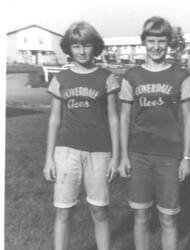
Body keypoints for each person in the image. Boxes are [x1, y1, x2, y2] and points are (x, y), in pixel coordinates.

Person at [118, 16, 190, 250]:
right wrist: (123, 156)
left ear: (168, 42)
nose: (156, 46)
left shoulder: (180, 75)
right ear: (144, 42)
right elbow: (124, 117)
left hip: (169, 156)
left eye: (161, 41)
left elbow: (189, 117)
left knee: (168, 217)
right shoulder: (132, 75)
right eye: (151, 40)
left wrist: (187, 157)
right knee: (141, 216)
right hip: (139, 154)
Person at [43, 21, 119, 250]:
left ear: (95, 47)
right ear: (69, 48)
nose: (82, 51)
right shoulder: (60, 80)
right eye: (76, 46)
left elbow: (114, 118)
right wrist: (48, 158)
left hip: (99, 152)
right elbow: (54, 119)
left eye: (86, 45)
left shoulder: (107, 78)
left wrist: (116, 156)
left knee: (99, 210)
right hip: (66, 152)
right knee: (64, 211)